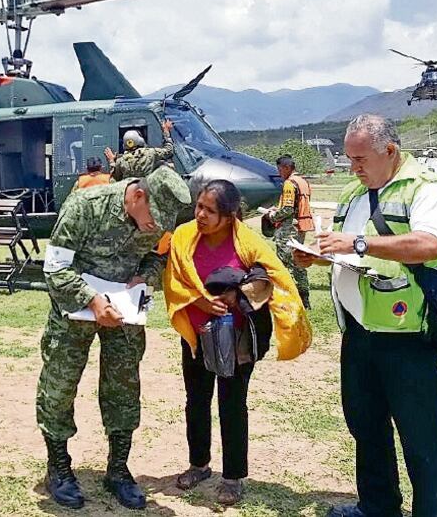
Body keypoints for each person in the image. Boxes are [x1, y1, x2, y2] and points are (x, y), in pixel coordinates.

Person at [294, 114, 437, 517]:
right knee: (366, 428)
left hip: (407, 338)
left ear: (390, 151)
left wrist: (360, 242)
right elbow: (342, 247)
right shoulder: (353, 192)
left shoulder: (426, 189)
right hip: (360, 333)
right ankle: (378, 507)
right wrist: (317, 257)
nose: (354, 167)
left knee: (422, 438)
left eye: (361, 159)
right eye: (350, 158)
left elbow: (429, 245)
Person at [37, 166, 192, 510]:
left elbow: (157, 255)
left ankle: (118, 470)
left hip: (125, 310)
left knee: (123, 387)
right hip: (75, 309)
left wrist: (146, 278)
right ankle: (59, 469)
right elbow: (55, 266)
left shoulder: (156, 218)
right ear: (137, 195)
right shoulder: (85, 205)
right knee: (59, 385)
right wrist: (93, 300)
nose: (155, 226)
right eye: (153, 217)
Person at [163, 179, 311, 505]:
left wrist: (237, 295)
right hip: (198, 336)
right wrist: (199, 302)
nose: (200, 214)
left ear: (229, 216)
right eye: (198, 206)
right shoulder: (185, 237)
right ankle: (199, 464)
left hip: (237, 339)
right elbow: (173, 279)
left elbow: (268, 281)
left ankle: (232, 477)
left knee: (232, 405)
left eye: (209, 210)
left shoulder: (248, 244)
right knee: (196, 401)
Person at [266, 155, 315, 308]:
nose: (279, 172)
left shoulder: (289, 183)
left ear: (287, 168)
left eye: (280, 169)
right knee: (298, 262)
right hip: (300, 226)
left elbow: (287, 209)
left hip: (288, 229)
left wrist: (273, 216)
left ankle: (284, 297)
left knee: (283, 262)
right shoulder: (303, 181)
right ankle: (304, 299)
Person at [106, 119, 175, 180]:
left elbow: (115, 178)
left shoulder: (121, 161)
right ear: (140, 140)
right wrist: (166, 132)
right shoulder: (150, 153)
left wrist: (112, 161)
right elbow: (169, 151)